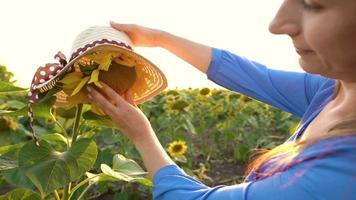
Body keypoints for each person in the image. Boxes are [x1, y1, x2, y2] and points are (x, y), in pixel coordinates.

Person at [86, 0, 356, 199]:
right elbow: (251, 75)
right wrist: (158, 39)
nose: (276, 25)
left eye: (311, 3)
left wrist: (141, 134)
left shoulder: (340, 173)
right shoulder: (334, 90)